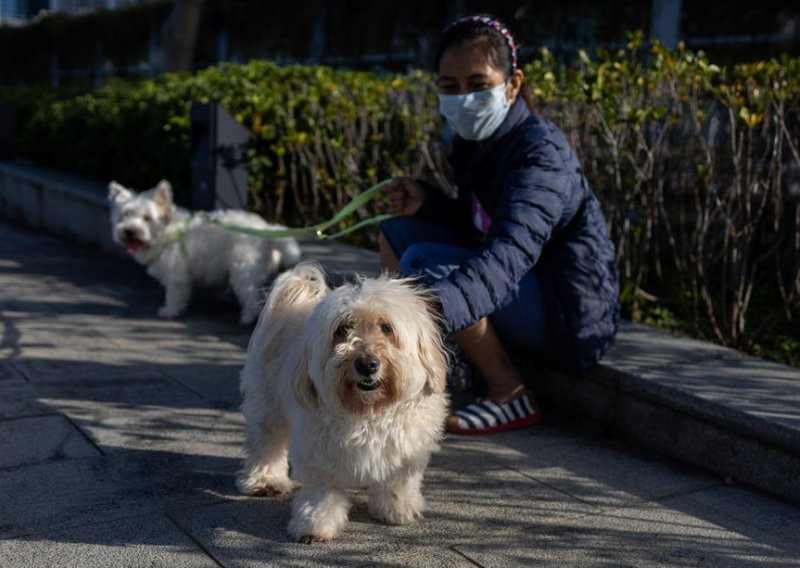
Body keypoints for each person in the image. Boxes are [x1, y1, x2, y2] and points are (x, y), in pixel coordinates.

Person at [379, 14, 620, 435]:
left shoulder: (541, 154)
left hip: (567, 312)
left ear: (512, 84)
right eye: (449, 87)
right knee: (397, 234)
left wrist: (429, 315)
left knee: (426, 264)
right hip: (525, 287)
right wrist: (429, 204)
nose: (464, 99)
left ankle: (510, 392)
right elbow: (480, 224)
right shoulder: (480, 142)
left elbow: (507, 254)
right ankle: (425, 364)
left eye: (478, 84)